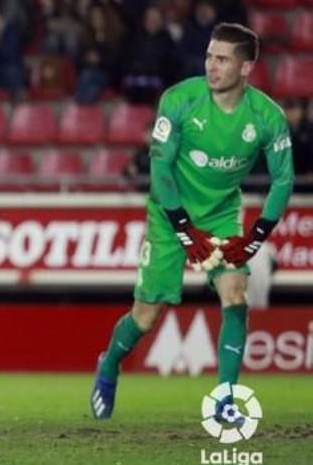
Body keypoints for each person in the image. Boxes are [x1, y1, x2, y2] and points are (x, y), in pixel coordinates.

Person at [90, 23, 294, 420]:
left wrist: (253, 239)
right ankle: (110, 364)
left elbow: (283, 181)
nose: (211, 66)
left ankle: (225, 399)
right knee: (146, 317)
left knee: (235, 294)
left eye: (222, 59)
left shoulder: (268, 116)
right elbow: (160, 168)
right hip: (170, 215)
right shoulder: (180, 99)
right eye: (209, 57)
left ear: (246, 67)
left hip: (220, 214)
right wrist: (184, 229)